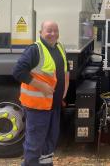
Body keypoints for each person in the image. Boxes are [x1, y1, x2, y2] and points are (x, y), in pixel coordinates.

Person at [13, 21, 69, 166]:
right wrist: (41, 86)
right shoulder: (35, 49)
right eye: (49, 31)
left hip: (53, 106)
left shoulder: (59, 47)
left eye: (55, 31)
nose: (53, 34)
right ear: (40, 32)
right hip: (37, 107)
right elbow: (18, 72)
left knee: (49, 143)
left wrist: (63, 92)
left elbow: (64, 70)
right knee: (34, 144)